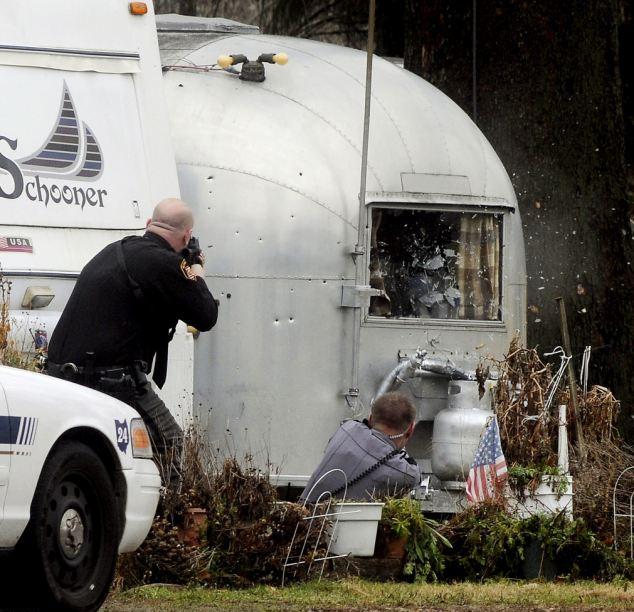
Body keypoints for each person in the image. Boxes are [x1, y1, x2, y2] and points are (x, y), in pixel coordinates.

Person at [47, 197, 218, 460]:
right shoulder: (164, 264)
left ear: (149, 223)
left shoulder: (113, 251)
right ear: (187, 237)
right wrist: (196, 269)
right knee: (170, 444)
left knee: (97, 455)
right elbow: (206, 316)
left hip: (62, 376)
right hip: (112, 380)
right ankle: (163, 502)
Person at [300, 392, 420, 503]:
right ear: (410, 429)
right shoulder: (406, 474)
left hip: (302, 518)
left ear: (370, 418)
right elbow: (415, 475)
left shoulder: (347, 428)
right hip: (344, 526)